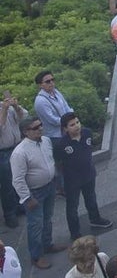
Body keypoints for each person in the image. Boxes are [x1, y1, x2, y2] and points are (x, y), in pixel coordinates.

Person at [11, 116, 60, 269]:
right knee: (35, 225)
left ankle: (48, 244)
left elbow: (50, 160)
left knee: (48, 218)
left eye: (40, 125)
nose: (40, 128)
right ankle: (36, 256)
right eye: (35, 127)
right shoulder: (20, 153)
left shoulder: (46, 140)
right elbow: (17, 179)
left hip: (50, 186)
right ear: (26, 132)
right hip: (34, 193)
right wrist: (27, 198)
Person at [53, 113, 113, 240]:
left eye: (77, 122)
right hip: (72, 180)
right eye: (72, 125)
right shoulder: (61, 144)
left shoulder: (87, 133)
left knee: (91, 198)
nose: (76, 126)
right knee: (72, 206)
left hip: (88, 174)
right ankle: (75, 233)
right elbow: (58, 163)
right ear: (65, 129)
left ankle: (95, 218)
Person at [0, 89, 28, 229]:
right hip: (3, 152)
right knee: (7, 185)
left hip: (17, 146)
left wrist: (16, 107)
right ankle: (9, 214)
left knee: (19, 178)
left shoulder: (5, 106)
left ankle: (20, 206)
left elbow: (24, 118)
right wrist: (4, 111)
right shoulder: (3, 109)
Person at [32, 69, 72, 141]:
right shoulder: (40, 101)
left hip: (67, 131)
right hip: (54, 136)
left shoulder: (56, 92)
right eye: (48, 81)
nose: (51, 83)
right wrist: (69, 122)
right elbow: (52, 120)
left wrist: (72, 118)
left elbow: (66, 107)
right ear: (40, 85)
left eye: (52, 80)